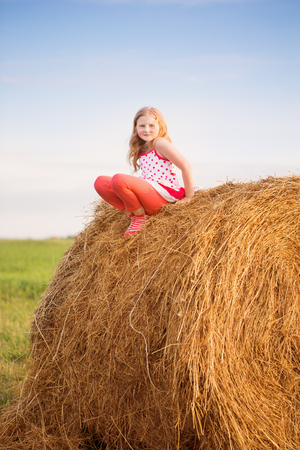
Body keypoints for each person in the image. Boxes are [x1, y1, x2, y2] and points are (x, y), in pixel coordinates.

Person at [94, 107, 196, 238]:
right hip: (147, 193)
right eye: (142, 125)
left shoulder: (160, 143)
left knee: (118, 179)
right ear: (135, 128)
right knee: (100, 182)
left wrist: (189, 197)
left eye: (151, 125)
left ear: (160, 126)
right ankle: (134, 217)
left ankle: (141, 218)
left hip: (162, 196)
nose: (146, 130)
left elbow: (186, 166)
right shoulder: (142, 148)